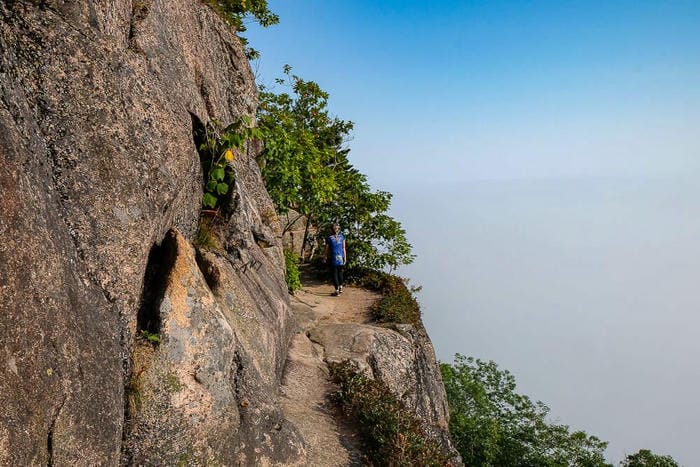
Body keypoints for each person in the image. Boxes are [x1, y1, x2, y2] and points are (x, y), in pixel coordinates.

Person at [324, 223, 346, 296]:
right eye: (337, 229)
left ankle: (337, 290)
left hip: (333, 257)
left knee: (334, 273)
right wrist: (345, 258)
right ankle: (340, 287)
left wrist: (325, 257)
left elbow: (327, 249)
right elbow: (343, 248)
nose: (337, 230)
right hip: (340, 257)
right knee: (340, 272)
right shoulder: (342, 237)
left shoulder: (329, 238)